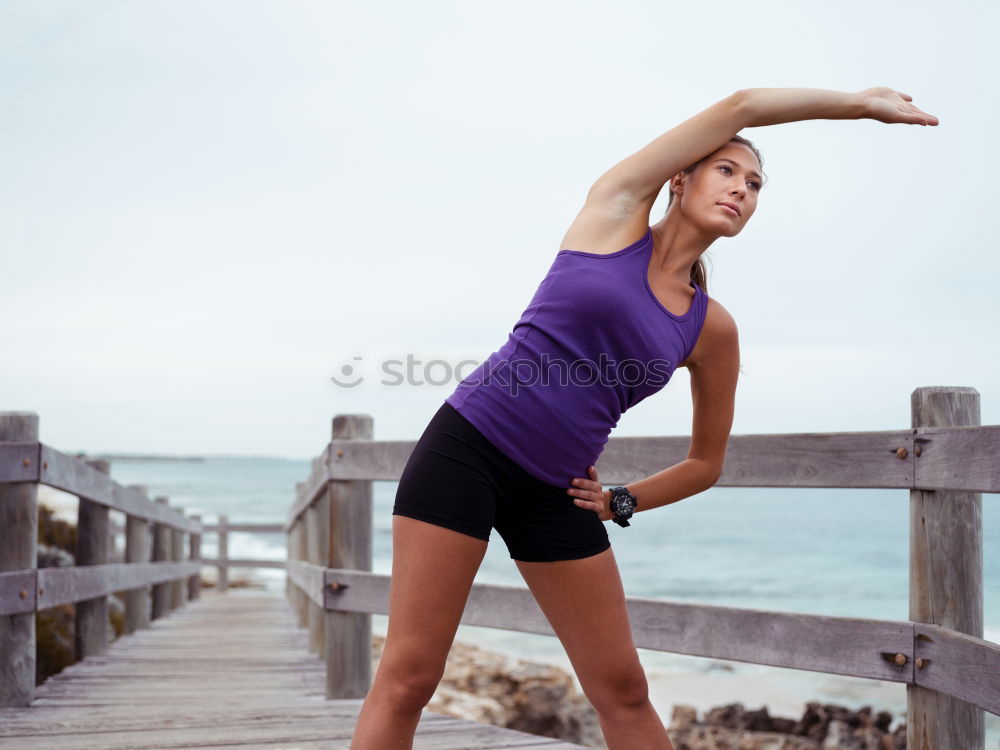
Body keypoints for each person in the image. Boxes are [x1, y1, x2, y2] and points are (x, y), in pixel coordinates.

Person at [349, 86, 938, 750]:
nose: (742, 189)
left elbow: (705, 463)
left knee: (623, 690)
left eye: (755, 184)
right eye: (727, 170)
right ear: (679, 179)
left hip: (557, 493)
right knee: (409, 676)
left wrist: (621, 499)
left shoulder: (710, 328)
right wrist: (859, 105)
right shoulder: (614, 212)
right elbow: (741, 104)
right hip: (469, 451)